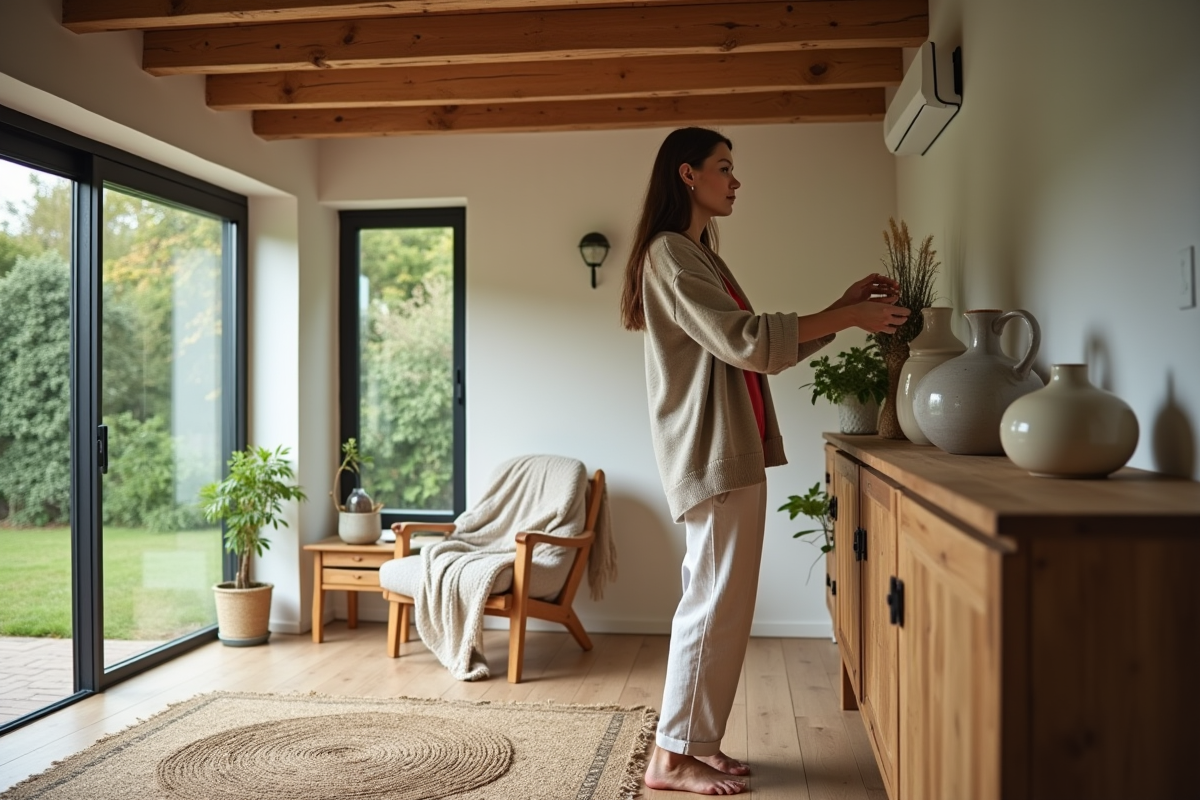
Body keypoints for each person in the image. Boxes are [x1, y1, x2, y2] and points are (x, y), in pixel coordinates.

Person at [620, 127, 909, 796]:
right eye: (724, 167)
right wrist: (849, 314)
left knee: (721, 602)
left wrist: (841, 311)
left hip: (729, 447)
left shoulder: (696, 254)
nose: (735, 180)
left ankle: (695, 742)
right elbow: (748, 341)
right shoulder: (670, 252)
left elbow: (757, 352)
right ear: (687, 174)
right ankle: (671, 759)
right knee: (712, 603)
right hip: (711, 448)